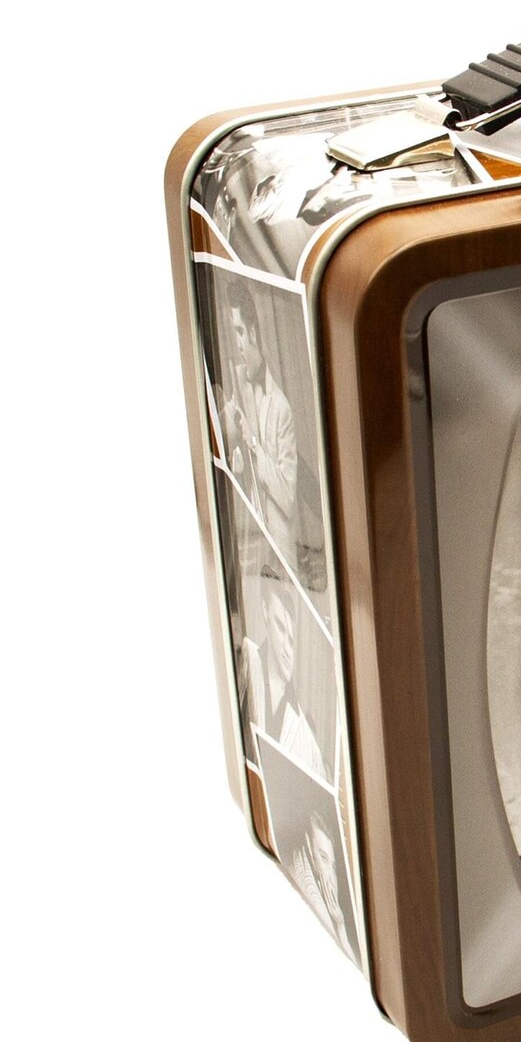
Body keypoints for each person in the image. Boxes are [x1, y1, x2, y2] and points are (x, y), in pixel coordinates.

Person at [221, 280, 298, 565]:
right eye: (233, 333)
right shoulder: (237, 382)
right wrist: (235, 456)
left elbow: (287, 496)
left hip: (280, 552)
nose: (237, 343)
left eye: (240, 332)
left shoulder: (281, 408)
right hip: (252, 545)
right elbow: (219, 439)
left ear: (252, 332)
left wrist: (253, 443)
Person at [238, 567, 328, 782]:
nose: (287, 649)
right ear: (265, 613)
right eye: (280, 627)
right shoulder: (247, 658)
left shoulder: (308, 740)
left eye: (292, 640)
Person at [291, 809, 359, 965]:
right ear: (309, 845)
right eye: (323, 857)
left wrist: (340, 923)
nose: (330, 876)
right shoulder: (303, 875)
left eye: (333, 866)